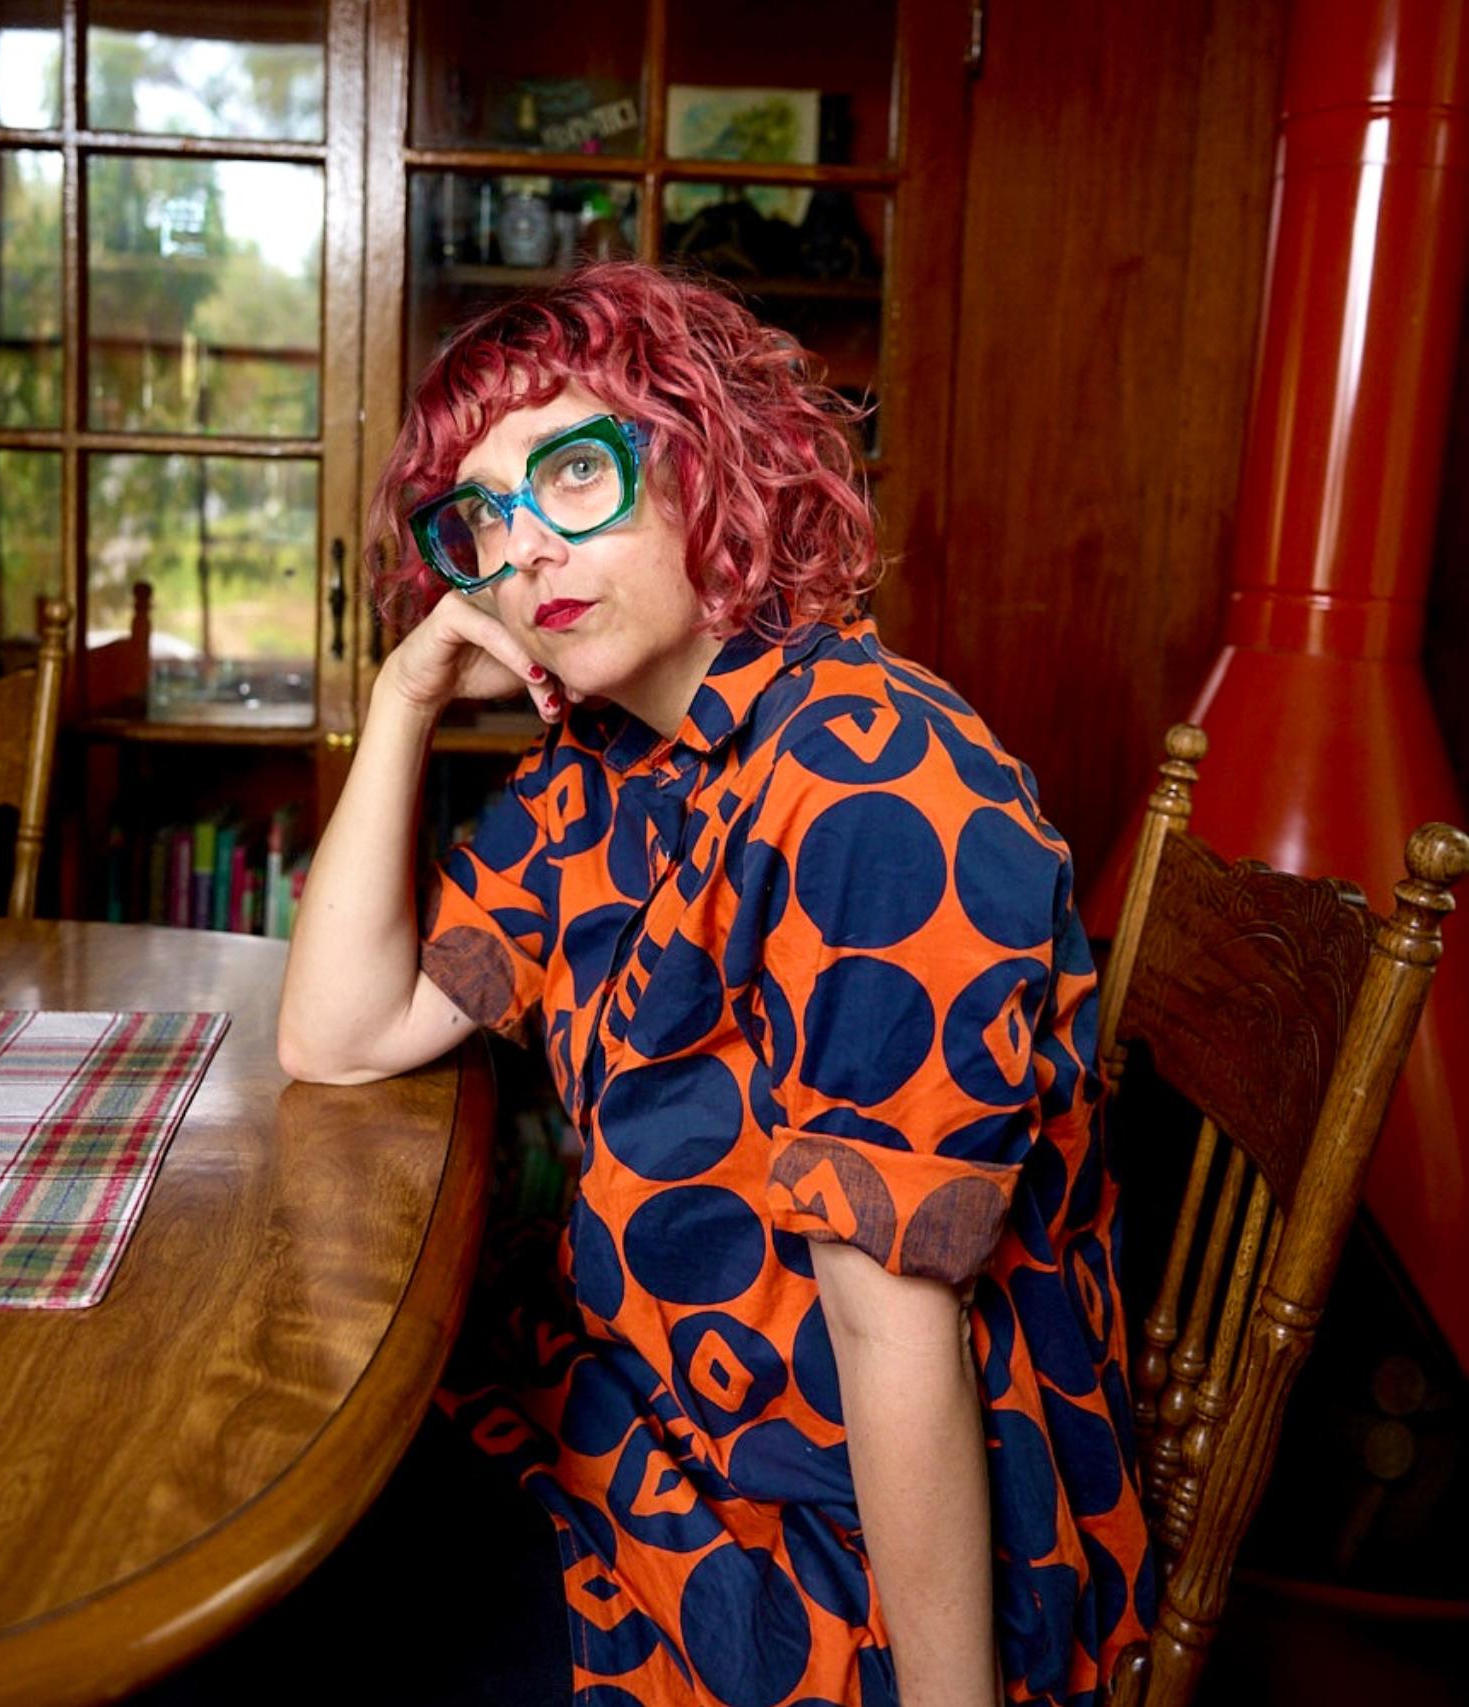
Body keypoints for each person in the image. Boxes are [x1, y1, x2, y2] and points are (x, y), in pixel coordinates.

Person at [277, 262, 1152, 1707]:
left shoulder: (880, 791)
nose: (521, 554)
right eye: (481, 518)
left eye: (573, 472)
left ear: (707, 461)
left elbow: (891, 1326)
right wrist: (406, 696)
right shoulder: (609, 768)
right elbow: (343, 1035)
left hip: (841, 1555)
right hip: (640, 1433)